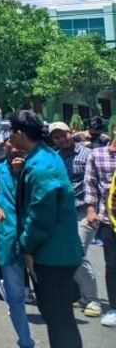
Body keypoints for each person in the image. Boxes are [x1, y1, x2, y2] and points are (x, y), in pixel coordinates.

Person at [8, 110, 84, 348]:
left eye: (11, 132)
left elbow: (40, 215)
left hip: (52, 254)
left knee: (58, 317)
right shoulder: (43, 157)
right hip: (56, 251)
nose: (9, 137)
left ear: (19, 133)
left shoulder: (41, 166)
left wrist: (27, 246)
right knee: (59, 316)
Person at [0, 133, 34, 348]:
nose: (16, 147)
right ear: (4, 146)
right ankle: (26, 342)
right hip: (8, 243)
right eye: (11, 143)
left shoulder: (36, 170)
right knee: (15, 298)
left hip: (38, 243)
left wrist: (22, 174)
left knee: (51, 299)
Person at [49, 121, 103, 317]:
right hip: (63, 213)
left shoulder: (88, 155)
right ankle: (79, 294)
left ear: (70, 132)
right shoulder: (55, 158)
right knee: (67, 254)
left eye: (63, 135)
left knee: (77, 253)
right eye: (56, 137)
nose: (61, 139)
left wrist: (93, 210)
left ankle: (93, 299)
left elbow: (94, 183)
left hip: (84, 211)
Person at [84, 116, 116, 327]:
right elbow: (91, 183)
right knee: (113, 265)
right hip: (108, 219)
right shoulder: (98, 155)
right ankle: (114, 307)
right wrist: (90, 209)